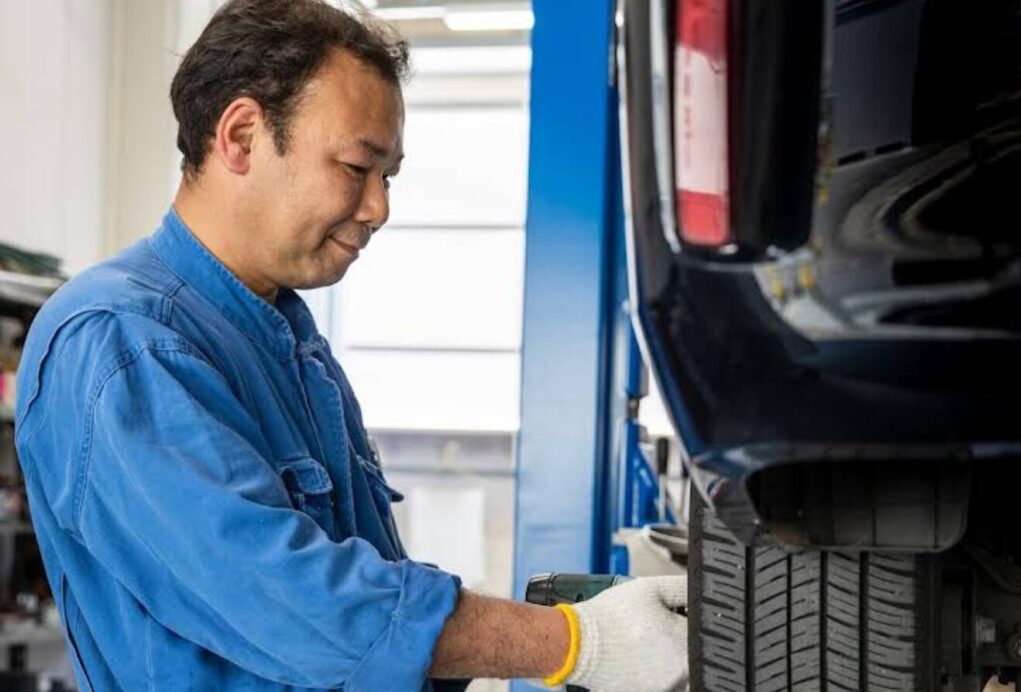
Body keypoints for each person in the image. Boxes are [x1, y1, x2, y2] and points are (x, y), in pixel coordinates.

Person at [14, 1, 688, 690]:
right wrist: (573, 641)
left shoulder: (291, 345)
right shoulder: (122, 342)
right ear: (241, 137)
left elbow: (373, 601)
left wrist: (552, 631)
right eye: (357, 166)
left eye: (387, 177)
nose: (379, 208)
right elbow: (300, 603)